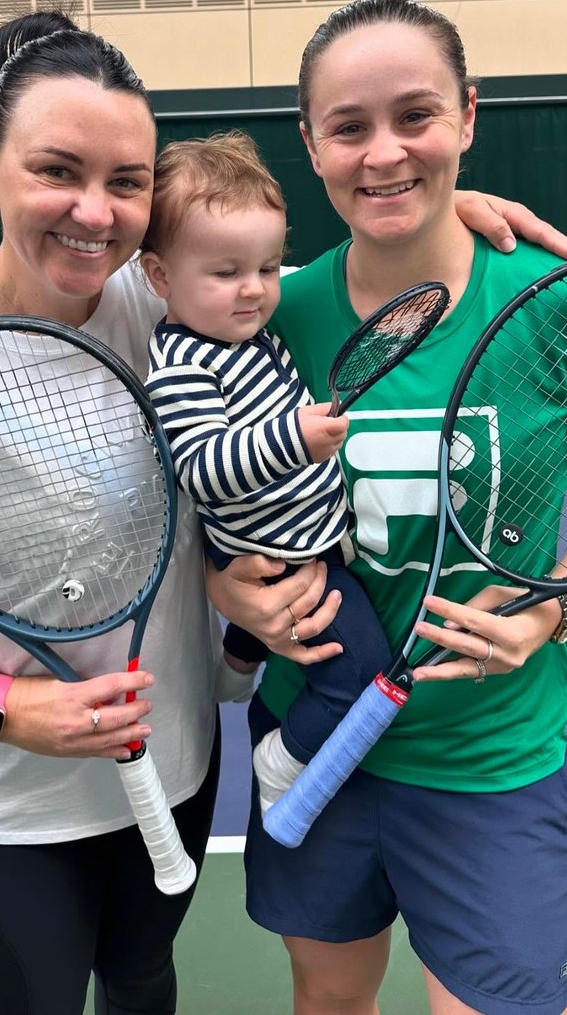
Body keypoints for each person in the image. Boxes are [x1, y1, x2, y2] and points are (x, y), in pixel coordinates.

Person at [0, 5, 567, 1015]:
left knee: (146, 983)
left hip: (175, 763)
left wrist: (450, 205)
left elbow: (294, 266)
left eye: (126, 182)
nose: (95, 213)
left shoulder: (158, 303)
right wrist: (8, 710)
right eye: (56, 171)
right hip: (5, 809)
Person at [205, 0, 567, 1015]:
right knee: (329, 999)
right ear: (310, 146)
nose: (383, 154)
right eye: (349, 127)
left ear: (467, 113)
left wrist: (555, 609)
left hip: (492, 759)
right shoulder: (268, 313)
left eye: (415, 116)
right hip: (316, 746)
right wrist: (221, 587)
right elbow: (196, 480)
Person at [139, 130, 390, 812]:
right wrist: (294, 438)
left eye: (270, 267)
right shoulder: (185, 363)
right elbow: (203, 469)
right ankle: (284, 758)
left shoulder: (249, 338)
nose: (254, 290)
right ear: (160, 277)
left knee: (259, 628)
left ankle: (238, 663)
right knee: (360, 668)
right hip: (275, 555)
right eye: (226, 273)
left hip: (299, 535)